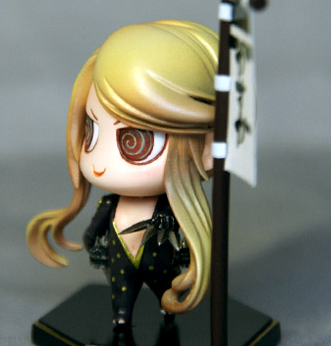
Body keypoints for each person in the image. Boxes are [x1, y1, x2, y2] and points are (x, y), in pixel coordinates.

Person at [26, 20, 218, 327]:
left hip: (158, 261)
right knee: (121, 293)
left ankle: (168, 309)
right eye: (91, 131)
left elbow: (178, 237)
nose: (100, 163)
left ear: (206, 145)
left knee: (164, 288)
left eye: (135, 141)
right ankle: (121, 317)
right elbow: (94, 230)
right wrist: (93, 243)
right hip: (120, 260)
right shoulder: (109, 205)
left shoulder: (166, 209)